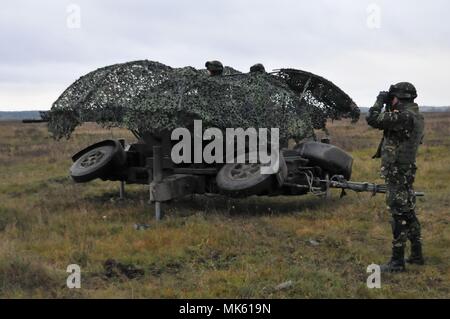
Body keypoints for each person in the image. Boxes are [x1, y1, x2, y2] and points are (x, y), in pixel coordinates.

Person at [366, 82, 425, 273]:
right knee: (408, 211)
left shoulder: (403, 116)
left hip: (398, 172)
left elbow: (373, 119)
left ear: (399, 97)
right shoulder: (416, 115)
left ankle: (397, 262)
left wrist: (379, 101)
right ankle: (416, 255)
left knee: (398, 214)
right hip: (406, 170)